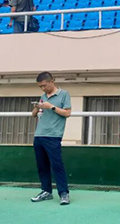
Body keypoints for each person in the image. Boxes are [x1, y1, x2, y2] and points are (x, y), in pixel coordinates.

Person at [30, 71, 72, 206]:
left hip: (53, 135)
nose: (43, 88)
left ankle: (63, 193)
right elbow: (34, 115)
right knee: (42, 165)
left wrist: (51, 107)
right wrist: (36, 108)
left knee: (57, 165)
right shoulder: (43, 96)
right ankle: (46, 191)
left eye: (44, 85)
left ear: (52, 81)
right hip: (39, 135)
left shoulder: (64, 94)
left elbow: (67, 113)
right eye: (40, 87)